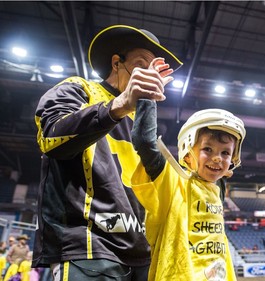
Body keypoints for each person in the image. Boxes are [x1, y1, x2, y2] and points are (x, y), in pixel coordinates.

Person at [32, 25, 182, 281]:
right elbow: (51, 138)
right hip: (89, 247)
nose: (149, 74)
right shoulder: (78, 88)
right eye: (141, 64)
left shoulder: (144, 126)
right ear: (116, 63)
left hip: (143, 252)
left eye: (154, 69)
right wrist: (119, 105)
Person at [131, 99, 246, 280]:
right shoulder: (172, 182)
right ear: (186, 151)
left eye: (225, 153)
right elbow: (144, 141)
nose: (217, 158)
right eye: (208, 149)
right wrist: (147, 96)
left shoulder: (217, 189)